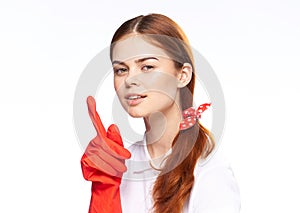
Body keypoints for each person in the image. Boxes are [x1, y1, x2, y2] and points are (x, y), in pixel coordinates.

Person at [81, 13, 241, 213]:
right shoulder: (122, 167)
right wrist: (103, 190)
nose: (130, 80)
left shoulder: (208, 171)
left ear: (182, 76)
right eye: (121, 70)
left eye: (147, 66)